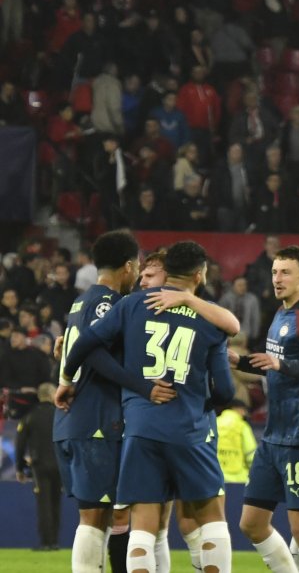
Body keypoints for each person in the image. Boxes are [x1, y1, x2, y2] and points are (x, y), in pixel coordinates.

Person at [64, 240, 237, 573]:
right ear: (199, 274)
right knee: (211, 517)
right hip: (190, 428)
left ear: (167, 270)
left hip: (141, 429)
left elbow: (86, 343)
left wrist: (68, 378)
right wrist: (204, 406)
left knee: (143, 524)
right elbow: (226, 390)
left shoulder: (132, 305)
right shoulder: (210, 317)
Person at [233, 246, 299, 573]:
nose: (277, 279)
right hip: (274, 435)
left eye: (285, 273)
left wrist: (282, 364)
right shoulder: (282, 313)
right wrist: (240, 361)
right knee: (251, 523)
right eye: (275, 272)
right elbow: (275, 365)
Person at [51, 230, 144, 573]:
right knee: (93, 517)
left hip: (74, 420)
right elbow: (92, 353)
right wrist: (142, 386)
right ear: (128, 266)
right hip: (95, 421)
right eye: (138, 267)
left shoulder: (80, 302)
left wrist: (64, 377)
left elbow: (76, 350)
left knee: (100, 515)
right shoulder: (108, 303)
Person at [17, 383, 62, 551]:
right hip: (59, 465)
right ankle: (55, 542)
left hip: (39, 466)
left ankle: (46, 542)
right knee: (56, 502)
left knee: (44, 503)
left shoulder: (30, 416)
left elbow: (20, 444)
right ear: (51, 395)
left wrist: (20, 468)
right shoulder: (60, 415)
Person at [216, 399, 256, 484]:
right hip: (238, 479)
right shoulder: (242, 426)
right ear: (237, 409)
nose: (245, 414)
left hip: (216, 477)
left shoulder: (214, 423)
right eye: (244, 410)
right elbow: (251, 454)